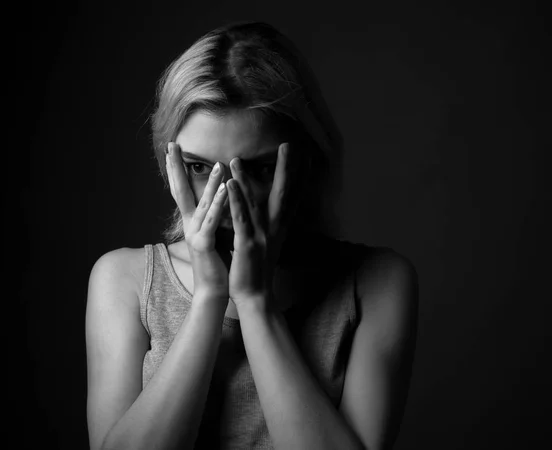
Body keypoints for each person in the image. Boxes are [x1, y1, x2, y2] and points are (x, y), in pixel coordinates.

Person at [85, 21, 419, 450]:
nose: (225, 199)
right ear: (169, 164)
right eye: (199, 168)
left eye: (257, 170)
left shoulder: (376, 284)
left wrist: (255, 301)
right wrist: (209, 297)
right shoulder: (124, 280)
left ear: (305, 163)